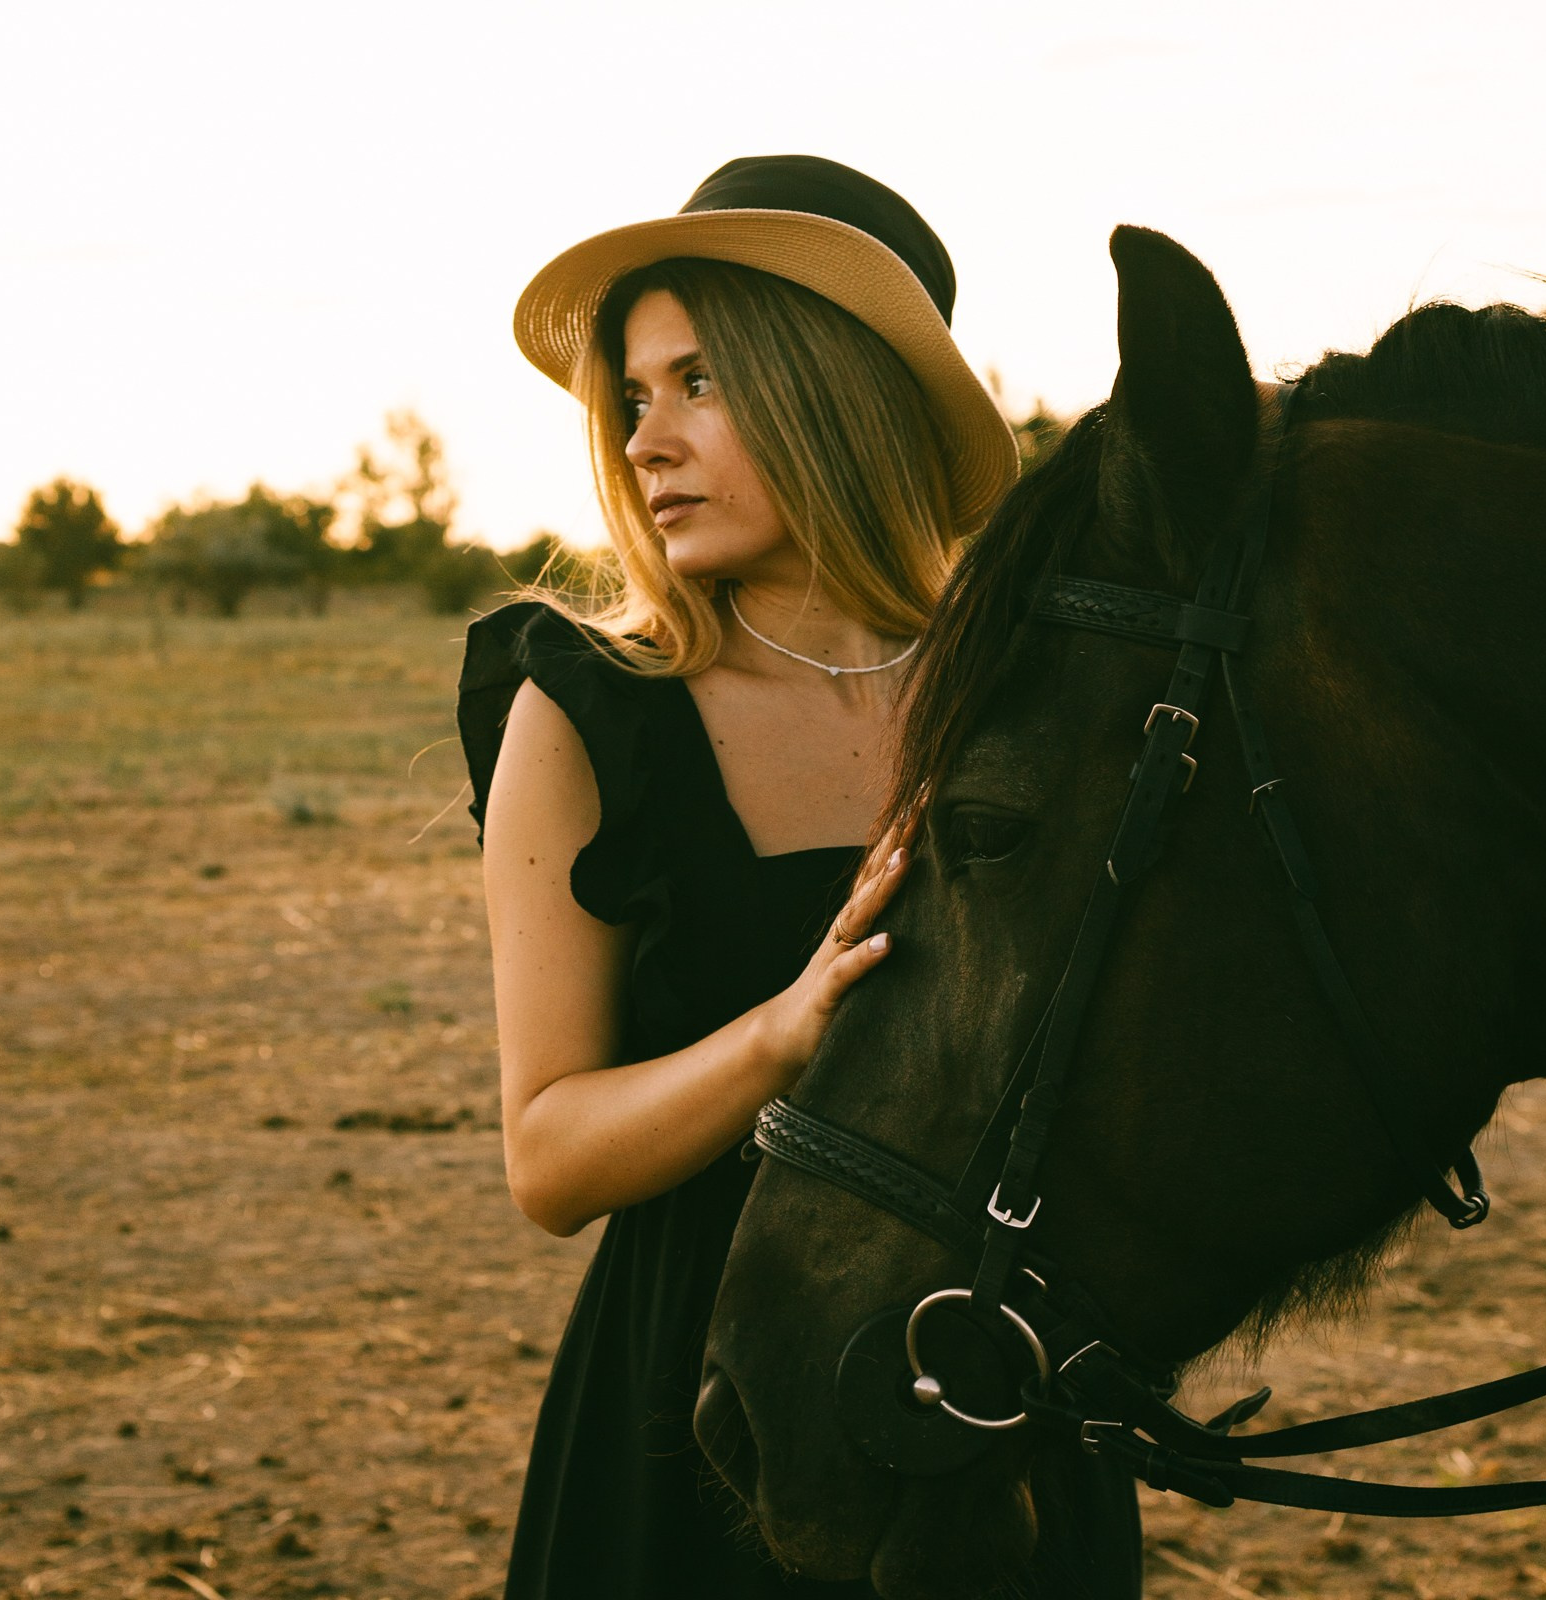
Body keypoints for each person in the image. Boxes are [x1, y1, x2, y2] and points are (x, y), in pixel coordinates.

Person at [457, 155, 1141, 1598]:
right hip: (701, 1421)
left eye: (699, 382)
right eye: (633, 398)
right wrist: (783, 1035)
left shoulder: (1032, 696)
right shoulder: (588, 713)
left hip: (991, 1399)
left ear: (837, 391)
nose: (647, 443)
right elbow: (550, 1160)